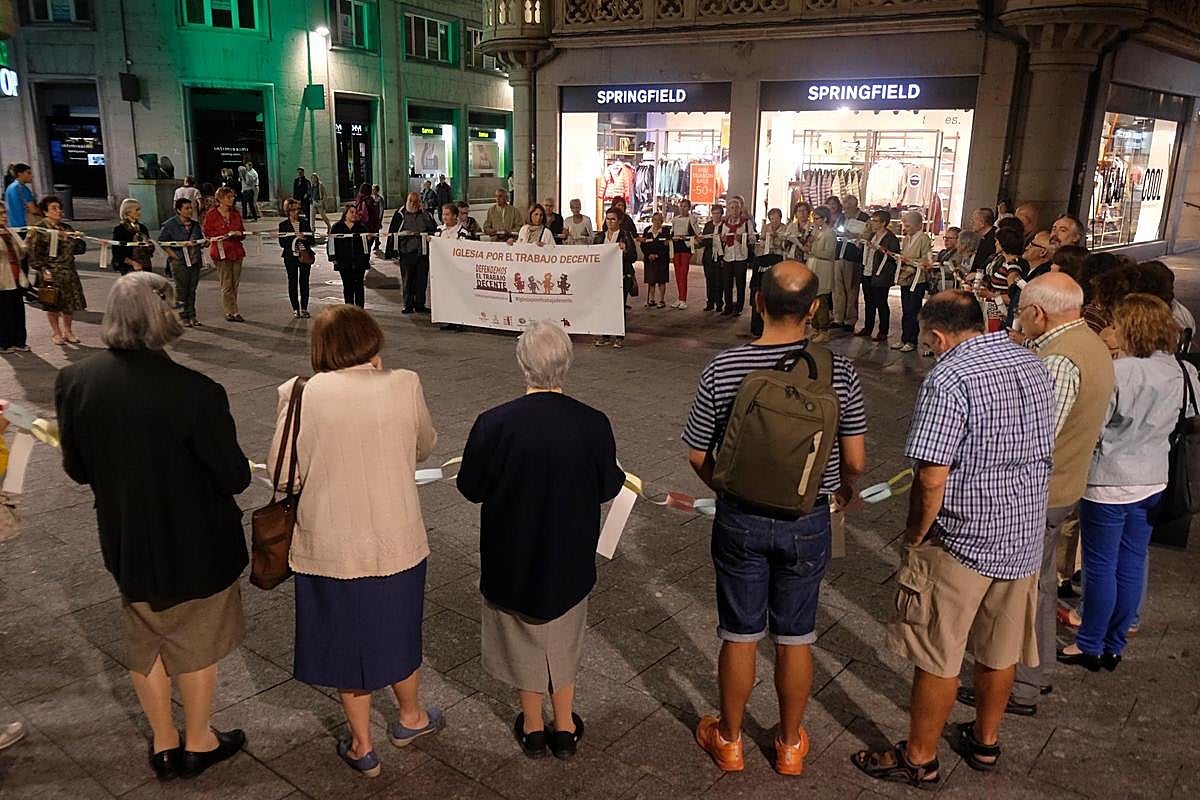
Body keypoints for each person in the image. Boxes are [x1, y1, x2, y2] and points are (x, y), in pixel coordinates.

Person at [853, 290, 1053, 788]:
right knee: (1001, 647)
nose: (928, 349)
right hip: (1023, 529)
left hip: (963, 535)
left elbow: (931, 476)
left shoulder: (950, 376)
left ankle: (919, 757)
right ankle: (985, 742)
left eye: (927, 340)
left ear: (938, 335)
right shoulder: (1030, 362)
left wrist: (918, 533)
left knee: (939, 651)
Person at [56, 272, 252, 782]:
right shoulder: (196, 391)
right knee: (195, 639)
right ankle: (199, 739)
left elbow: (77, 470)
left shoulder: (75, 381)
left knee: (145, 640)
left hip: (127, 538)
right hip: (196, 542)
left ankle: (164, 741)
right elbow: (232, 476)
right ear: (162, 317)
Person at [684, 260, 866, 776]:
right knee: (796, 634)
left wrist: (729, 489)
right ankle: (789, 746)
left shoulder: (724, 367)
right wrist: (842, 490)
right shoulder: (839, 371)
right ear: (814, 308)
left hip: (739, 517)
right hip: (809, 519)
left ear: (757, 302)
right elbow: (854, 460)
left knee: (739, 633)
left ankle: (731, 740)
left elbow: (698, 452)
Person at [268, 304, 443, 777]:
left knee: (345, 641)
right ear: (371, 339)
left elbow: (281, 473)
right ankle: (410, 717)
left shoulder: (301, 393)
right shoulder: (405, 383)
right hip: (397, 537)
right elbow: (423, 445)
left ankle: (362, 745)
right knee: (400, 627)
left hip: (330, 544)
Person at [457, 322, 624, 760]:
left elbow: (471, 487)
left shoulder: (494, 423)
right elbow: (609, 486)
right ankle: (565, 727)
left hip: (511, 554)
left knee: (519, 636)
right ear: (566, 364)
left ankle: (533, 727)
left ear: (522, 365)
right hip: (569, 555)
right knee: (564, 635)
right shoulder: (593, 423)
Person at [957, 273, 1113, 716]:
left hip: (1041, 493)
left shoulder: (1060, 359)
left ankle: (1018, 685)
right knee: (1040, 586)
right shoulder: (1086, 340)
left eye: (1021, 308)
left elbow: (1036, 435)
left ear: (1037, 312)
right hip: (1065, 484)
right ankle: (1033, 673)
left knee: (1022, 592)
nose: (1016, 315)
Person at [1058, 294, 1199, 671]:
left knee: (1100, 565)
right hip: (1155, 480)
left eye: (1118, 323)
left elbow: (1095, 428)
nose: (1111, 328)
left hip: (1107, 481)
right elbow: (1189, 414)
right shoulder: (1183, 371)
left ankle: (1089, 642)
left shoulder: (1118, 373)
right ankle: (1115, 643)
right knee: (1133, 561)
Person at [28, 195, 86, 345]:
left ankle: (68, 330)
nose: (58, 211)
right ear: (45, 212)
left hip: (68, 271)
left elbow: (79, 250)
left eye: (59, 208)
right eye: (54, 208)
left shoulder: (66, 228)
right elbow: (33, 254)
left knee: (69, 304)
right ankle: (56, 332)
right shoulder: (40, 229)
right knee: (53, 303)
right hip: (51, 272)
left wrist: (78, 238)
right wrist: (42, 270)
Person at [384, 192, 438, 313]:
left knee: (421, 280)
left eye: (416, 201)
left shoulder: (425, 214)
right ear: (407, 201)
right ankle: (408, 305)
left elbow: (433, 228)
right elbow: (392, 232)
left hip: (422, 252)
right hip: (406, 252)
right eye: (411, 201)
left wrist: (424, 213)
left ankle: (420, 304)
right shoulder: (400, 214)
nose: (413, 204)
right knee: (407, 280)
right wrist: (392, 252)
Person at [202, 186, 247, 323]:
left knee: (235, 283)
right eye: (229, 197)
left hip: (236, 251)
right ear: (220, 199)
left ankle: (234, 309)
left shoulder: (235, 213)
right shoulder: (211, 214)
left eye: (233, 196)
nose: (232, 199)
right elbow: (208, 232)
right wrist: (222, 235)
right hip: (221, 252)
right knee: (226, 283)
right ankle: (231, 311)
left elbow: (242, 231)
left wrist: (238, 233)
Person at [158, 197, 205, 327]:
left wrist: (204, 243)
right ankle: (182, 316)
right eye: (187, 208)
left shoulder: (195, 225)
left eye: (191, 208)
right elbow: (162, 241)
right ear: (179, 210)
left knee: (192, 289)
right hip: (180, 262)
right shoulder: (170, 225)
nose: (190, 211)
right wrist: (173, 255)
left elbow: (199, 241)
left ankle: (192, 315)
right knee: (181, 290)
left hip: (194, 261)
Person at [594, 208, 636, 349]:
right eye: (608, 218)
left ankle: (619, 336)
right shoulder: (600, 237)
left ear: (619, 221)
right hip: (603, 277)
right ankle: (605, 335)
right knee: (604, 306)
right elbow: (593, 255)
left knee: (619, 306)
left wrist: (624, 251)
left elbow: (633, 256)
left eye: (613, 219)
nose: (610, 222)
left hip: (621, 276)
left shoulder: (625, 236)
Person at [856, 210, 899, 343]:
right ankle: (868, 327)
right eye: (872, 220)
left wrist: (879, 249)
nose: (872, 223)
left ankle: (883, 330)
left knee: (881, 302)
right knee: (869, 301)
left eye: (875, 221)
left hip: (881, 275)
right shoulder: (872, 235)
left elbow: (894, 256)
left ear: (883, 223)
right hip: (868, 271)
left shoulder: (890, 238)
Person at [894, 210, 933, 353]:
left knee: (913, 309)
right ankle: (904, 337)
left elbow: (927, 260)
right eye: (905, 225)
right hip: (906, 277)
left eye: (909, 226)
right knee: (905, 309)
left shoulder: (924, 239)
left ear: (918, 225)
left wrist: (911, 261)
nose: (906, 229)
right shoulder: (906, 239)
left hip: (918, 279)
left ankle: (912, 340)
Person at [751, 207, 791, 337]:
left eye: (777, 218)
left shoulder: (785, 228)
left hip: (778, 258)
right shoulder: (766, 227)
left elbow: (786, 245)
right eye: (772, 218)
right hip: (765, 259)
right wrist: (764, 239)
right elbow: (761, 242)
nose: (774, 221)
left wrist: (777, 239)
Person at [833, 195, 870, 331]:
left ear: (855, 206)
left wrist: (855, 236)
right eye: (844, 207)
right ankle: (838, 318)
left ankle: (850, 319)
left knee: (851, 289)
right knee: (838, 289)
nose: (845, 210)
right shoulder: (842, 217)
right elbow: (837, 230)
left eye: (848, 208)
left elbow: (867, 236)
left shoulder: (864, 218)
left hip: (853, 257)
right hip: (839, 254)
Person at [801, 205, 837, 340]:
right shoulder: (817, 232)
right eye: (814, 218)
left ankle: (824, 330)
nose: (814, 221)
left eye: (817, 218)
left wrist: (812, 250)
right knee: (813, 299)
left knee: (821, 301)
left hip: (823, 270)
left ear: (824, 218)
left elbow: (829, 253)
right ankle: (816, 328)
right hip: (813, 268)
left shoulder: (830, 234)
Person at [0, 202, 29, 352]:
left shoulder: (10, 232)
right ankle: (5, 343)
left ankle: (20, 341)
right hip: (3, 280)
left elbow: (22, 252)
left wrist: (28, 239)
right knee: (5, 313)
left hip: (16, 276)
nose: (4, 217)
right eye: (1, 214)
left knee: (18, 311)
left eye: (5, 213)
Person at [719, 196, 756, 316]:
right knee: (727, 283)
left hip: (741, 256)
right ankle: (728, 306)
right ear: (728, 209)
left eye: (736, 208)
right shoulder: (724, 224)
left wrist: (742, 238)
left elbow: (753, 238)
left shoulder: (746, 223)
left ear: (740, 209)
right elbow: (720, 239)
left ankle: (738, 307)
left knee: (740, 283)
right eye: (732, 208)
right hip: (728, 256)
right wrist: (723, 240)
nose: (734, 210)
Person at [279, 198, 315, 318]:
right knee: (292, 281)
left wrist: (305, 238)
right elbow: (282, 243)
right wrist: (294, 238)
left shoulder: (304, 223)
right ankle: (295, 308)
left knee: (304, 282)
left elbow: (312, 240)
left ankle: (304, 308)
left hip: (305, 255)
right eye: (293, 210)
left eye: (297, 209)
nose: (296, 212)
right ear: (287, 211)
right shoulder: (283, 225)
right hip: (290, 256)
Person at [330, 204, 369, 308]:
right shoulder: (337, 227)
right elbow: (331, 242)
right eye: (351, 212)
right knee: (348, 287)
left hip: (359, 262)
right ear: (345, 213)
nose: (354, 214)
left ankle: (360, 310)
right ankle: (349, 310)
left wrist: (366, 259)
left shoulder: (361, 227)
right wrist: (333, 257)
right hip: (344, 262)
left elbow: (366, 246)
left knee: (359, 287)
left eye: (355, 212)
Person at [669, 198, 700, 309]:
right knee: (677, 274)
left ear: (689, 208)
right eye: (681, 206)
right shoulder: (675, 219)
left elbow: (697, 234)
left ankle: (683, 299)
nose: (683, 208)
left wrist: (690, 238)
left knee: (683, 274)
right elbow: (672, 233)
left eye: (685, 206)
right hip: (676, 247)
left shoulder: (692, 219)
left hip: (686, 248)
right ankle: (680, 297)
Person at [112, 198, 156, 276]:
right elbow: (117, 252)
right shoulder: (120, 230)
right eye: (137, 210)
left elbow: (150, 250)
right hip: (129, 267)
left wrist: (150, 246)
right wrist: (133, 263)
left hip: (145, 265)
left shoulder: (142, 228)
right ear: (127, 212)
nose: (139, 212)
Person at [641, 211, 671, 308]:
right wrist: (648, 254)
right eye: (655, 220)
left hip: (661, 260)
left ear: (662, 221)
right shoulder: (647, 231)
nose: (657, 222)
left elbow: (667, 246)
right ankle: (651, 299)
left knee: (661, 280)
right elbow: (643, 245)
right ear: (652, 220)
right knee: (651, 280)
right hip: (649, 260)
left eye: (659, 220)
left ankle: (661, 300)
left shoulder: (666, 231)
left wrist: (657, 255)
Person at [700, 205, 725, 313]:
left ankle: (719, 303)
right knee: (709, 280)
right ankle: (710, 302)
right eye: (714, 213)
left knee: (719, 281)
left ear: (721, 214)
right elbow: (704, 241)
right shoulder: (708, 225)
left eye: (718, 213)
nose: (716, 216)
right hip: (709, 256)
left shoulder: (724, 226)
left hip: (720, 256)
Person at [3, 163, 37, 234]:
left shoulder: (9, 188)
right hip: (23, 227)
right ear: (20, 174)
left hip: (11, 227)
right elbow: (33, 210)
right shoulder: (23, 188)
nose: (31, 176)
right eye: (28, 173)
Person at [355, 183, 383, 256]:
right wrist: (378, 223)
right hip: (369, 226)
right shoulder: (370, 200)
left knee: (361, 245)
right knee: (367, 246)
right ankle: (366, 259)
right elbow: (374, 214)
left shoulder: (358, 199)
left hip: (360, 226)